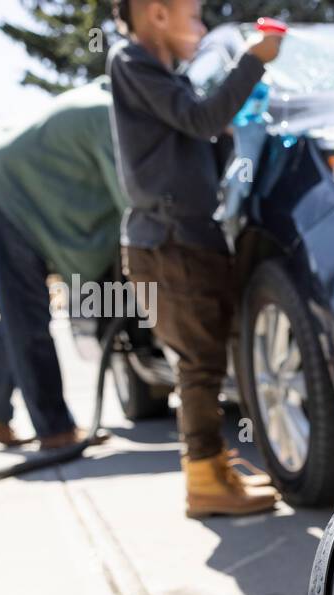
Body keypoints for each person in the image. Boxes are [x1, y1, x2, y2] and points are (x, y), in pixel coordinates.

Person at [108, 0, 282, 518]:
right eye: (195, 16)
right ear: (157, 15)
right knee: (199, 365)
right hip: (168, 242)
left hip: (186, 236)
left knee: (206, 358)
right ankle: (204, 478)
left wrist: (231, 134)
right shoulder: (130, 62)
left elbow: (202, 133)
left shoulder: (166, 77)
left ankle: (212, 468)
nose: (203, 28)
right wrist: (254, 61)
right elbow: (201, 117)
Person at [0, 77, 125, 450]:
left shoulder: (104, 100)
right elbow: (130, 198)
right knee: (27, 315)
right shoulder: (106, 113)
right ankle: (55, 430)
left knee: (20, 313)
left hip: (14, 196)